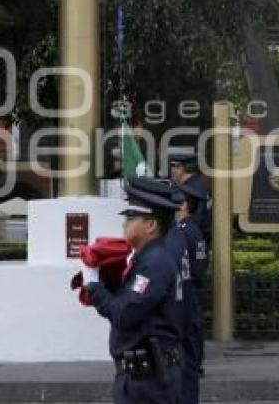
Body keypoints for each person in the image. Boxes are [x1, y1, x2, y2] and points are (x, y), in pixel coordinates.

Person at [84, 178, 184, 404]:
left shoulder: (154, 263)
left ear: (151, 225)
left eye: (131, 218)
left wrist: (95, 288)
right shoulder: (149, 258)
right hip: (143, 377)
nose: (124, 224)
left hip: (149, 383)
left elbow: (125, 314)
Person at [168, 180, 209, 402]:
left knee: (185, 366)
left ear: (184, 205)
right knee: (190, 362)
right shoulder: (193, 230)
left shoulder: (182, 232)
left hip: (184, 297)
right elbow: (201, 268)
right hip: (191, 296)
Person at [169, 152, 212, 248]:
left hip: (193, 239)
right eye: (172, 166)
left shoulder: (193, 188)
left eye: (175, 166)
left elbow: (196, 217)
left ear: (184, 168)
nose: (173, 170)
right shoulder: (194, 184)